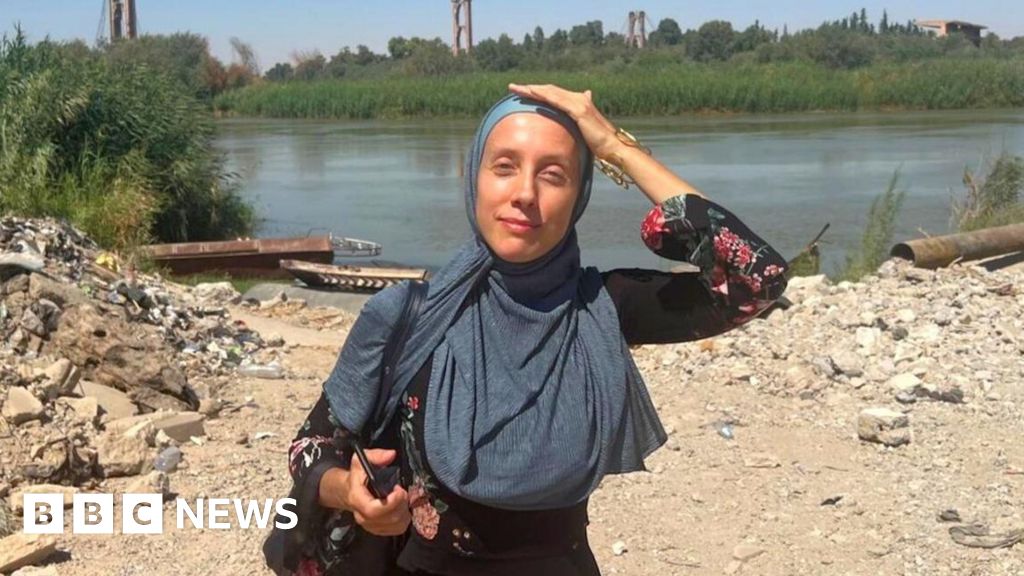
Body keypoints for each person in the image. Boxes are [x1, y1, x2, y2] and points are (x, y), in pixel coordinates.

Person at [286, 84, 790, 576]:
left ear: (579, 196)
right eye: (504, 167)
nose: (525, 194)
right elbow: (310, 448)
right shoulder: (407, 316)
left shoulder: (600, 308)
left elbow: (757, 279)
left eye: (553, 175)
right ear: (474, 178)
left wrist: (616, 147)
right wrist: (348, 492)